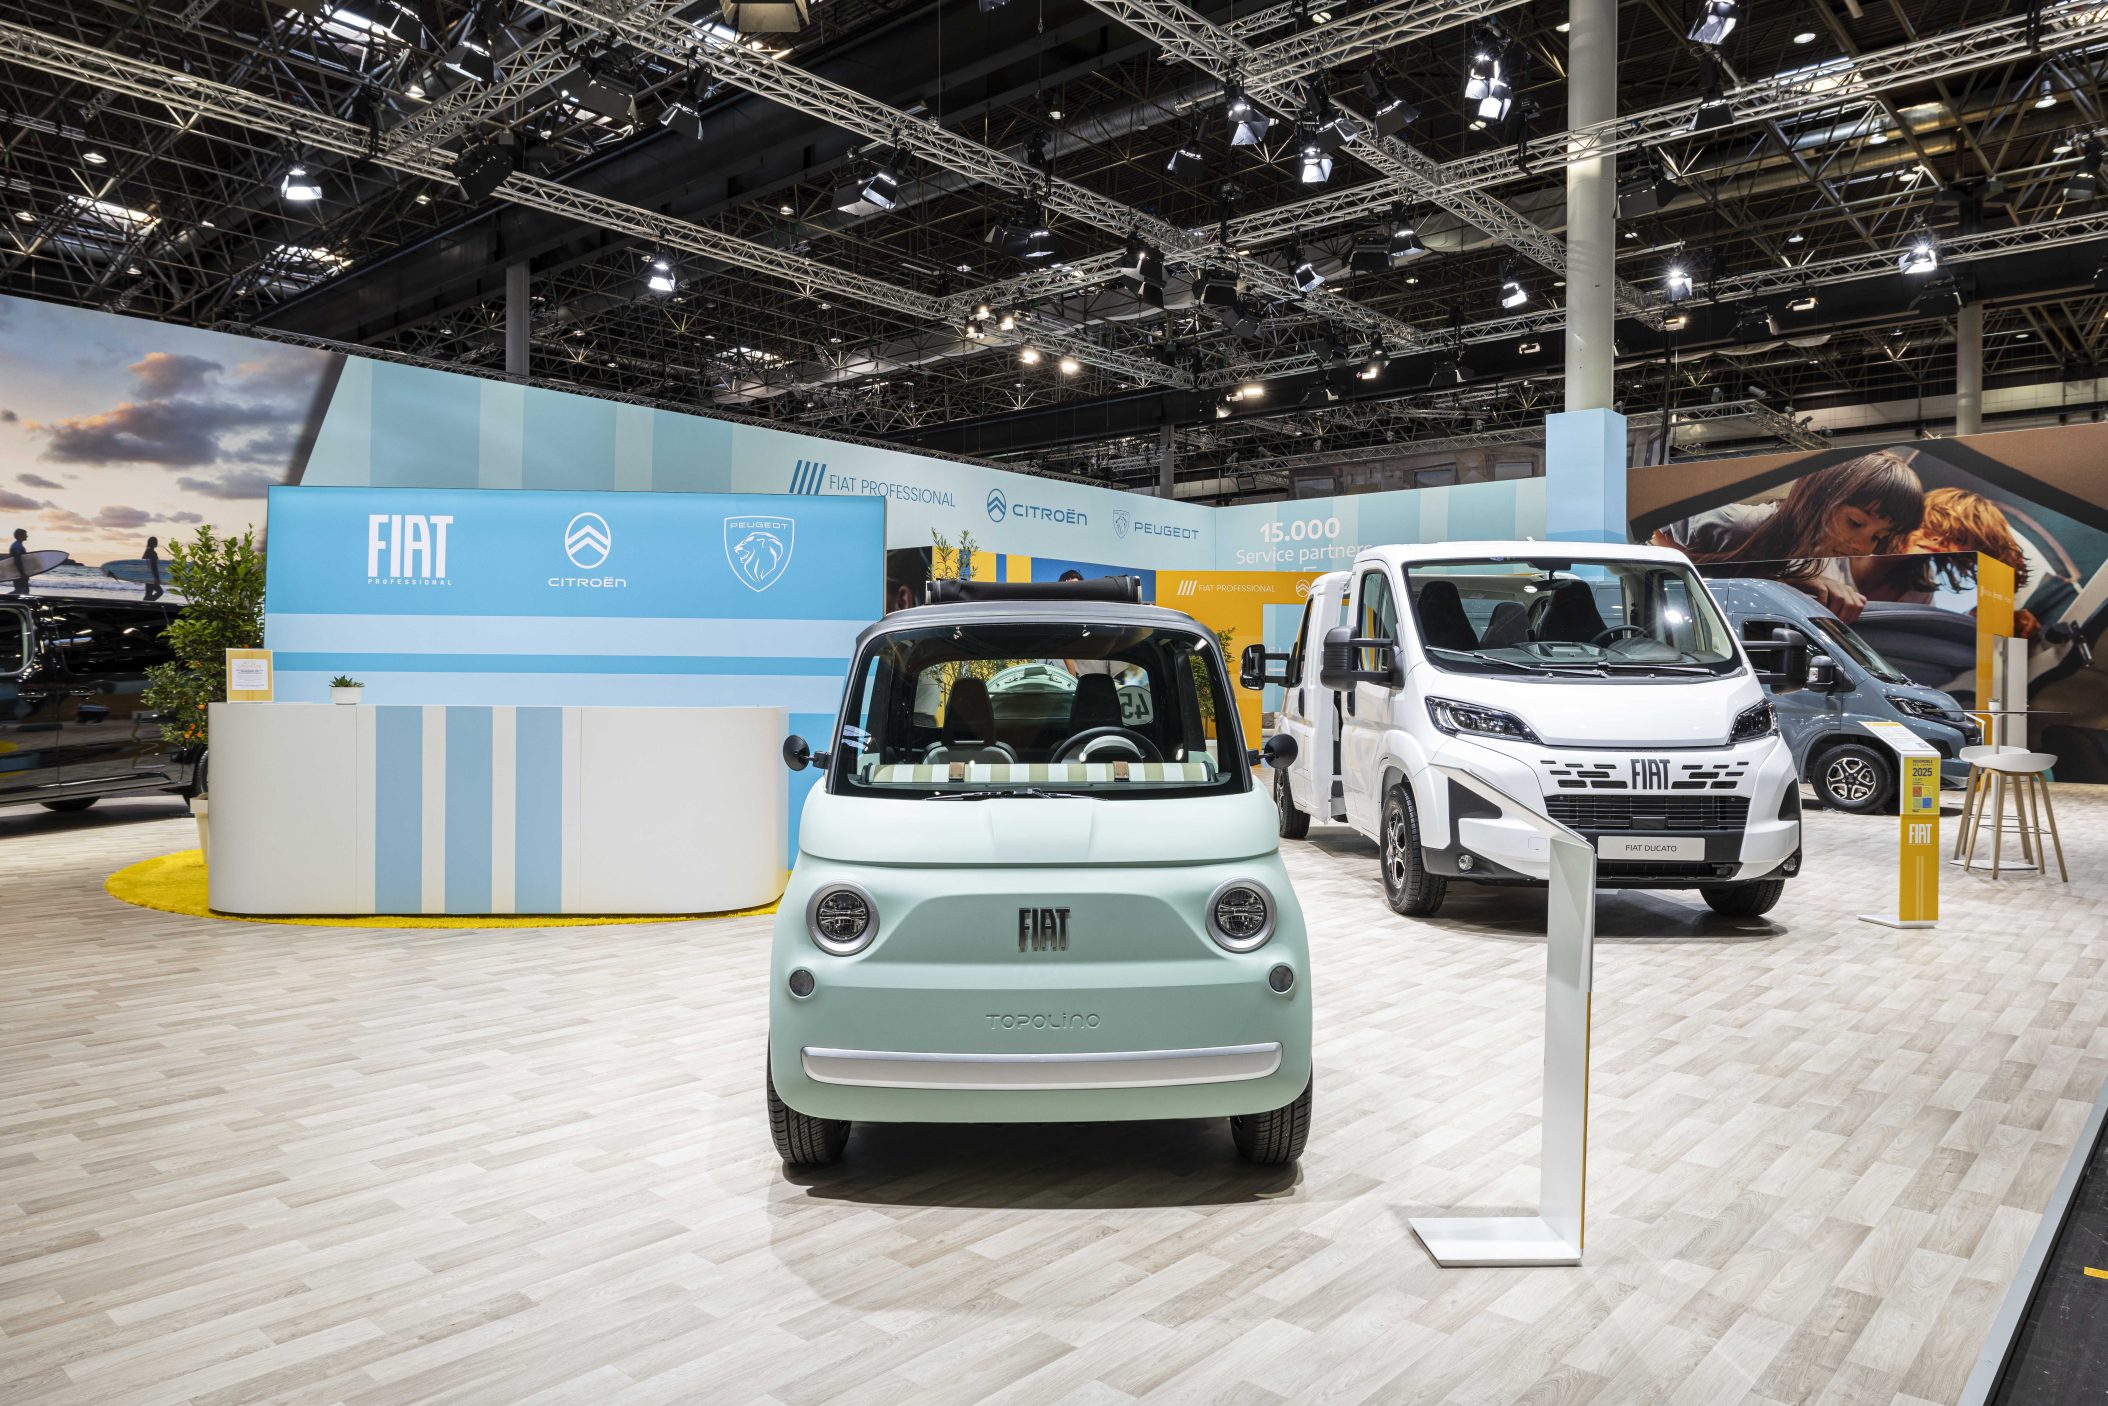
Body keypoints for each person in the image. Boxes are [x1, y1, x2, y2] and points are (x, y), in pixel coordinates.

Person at [1655, 451, 1926, 621]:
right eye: (1855, 523)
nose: (1863, 547)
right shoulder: (1738, 525)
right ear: (1821, 498)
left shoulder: (1809, 561)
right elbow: (1657, 525)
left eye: (1878, 537)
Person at [1852, 487, 2040, 635]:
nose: (1938, 539)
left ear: (1965, 555)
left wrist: (1997, 619)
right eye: (1931, 526)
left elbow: (1933, 629)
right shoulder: (1850, 552)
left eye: (1956, 538)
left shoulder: (1921, 590)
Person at [142, 535, 163, 602]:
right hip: (152, 577)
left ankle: (146, 604)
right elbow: (154, 566)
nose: (157, 543)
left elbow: (144, 565)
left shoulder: (146, 552)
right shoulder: (153, 553)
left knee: (148, 594)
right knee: (160, 592)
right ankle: (147, 604)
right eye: (156, 542)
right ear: (154, 543)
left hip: (147, 577)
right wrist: (157, 578)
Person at [8, 528, 27, 597]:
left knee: (20, 590)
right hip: (18, 572)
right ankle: (3, 599)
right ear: (19, 535)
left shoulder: (18, 545)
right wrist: (23, 574)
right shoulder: (17, 546)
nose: (27, 536)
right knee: (21, 590)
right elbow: (17, 561)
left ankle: (5, 599)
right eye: (25, 534)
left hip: (18, 572)